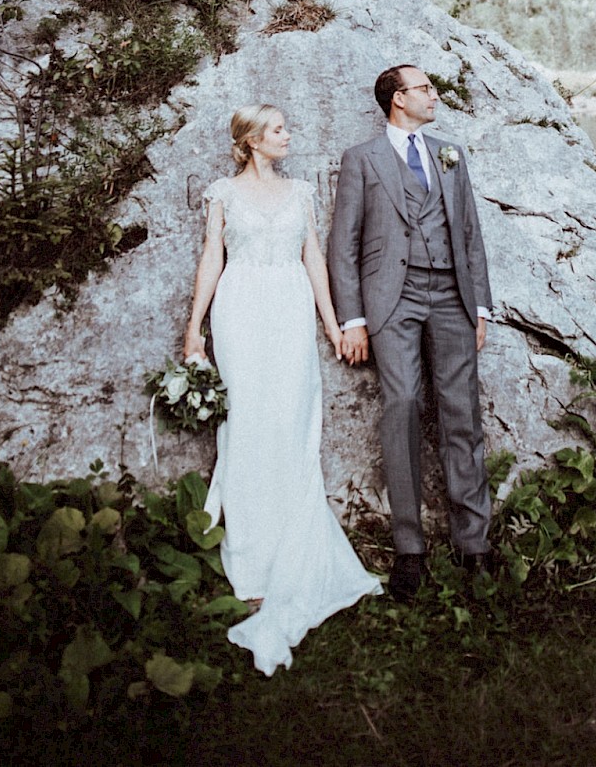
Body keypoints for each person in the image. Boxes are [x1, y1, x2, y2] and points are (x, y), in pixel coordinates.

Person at [184, 104, 381, 674]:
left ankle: (294, 553)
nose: (288, 135)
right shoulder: (222, 191)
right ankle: (252, 563)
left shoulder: (300, 193)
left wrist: (334, 323)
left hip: (291, 311)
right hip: (240, 310)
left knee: (294, 424)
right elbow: (211, 258)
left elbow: (314, 259)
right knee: (246, 425)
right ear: (250, 141)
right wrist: (193, 328)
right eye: (277, 130)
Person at [328, 64, 493, 602]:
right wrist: (353, 319)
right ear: (398, 99)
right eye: (424, 88)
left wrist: (480, 308)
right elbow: (343, 245)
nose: (433, 95)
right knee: (401, 406)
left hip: (451, 297)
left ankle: (474, 544)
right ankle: (409, 549)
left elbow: (469, 233)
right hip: (391, 301)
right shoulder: (361, 159)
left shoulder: (451, 153)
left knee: (460, 411)